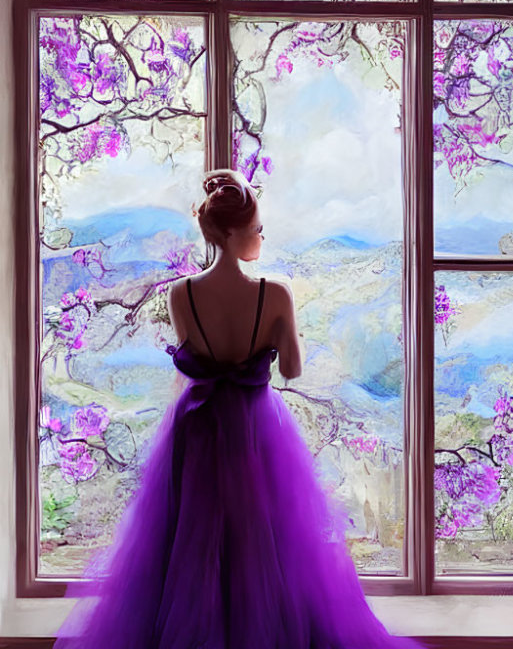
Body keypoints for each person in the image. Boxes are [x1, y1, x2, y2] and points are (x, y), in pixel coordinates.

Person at [54, 170, 422, 649]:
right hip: (255, 427)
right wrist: (285, 334)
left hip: (200, 427)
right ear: (231, 232)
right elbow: (291, 369)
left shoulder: (180, 293)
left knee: (191, 541)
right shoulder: (275, 293)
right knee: (264, 540)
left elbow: (192, 367)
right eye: (257, 228)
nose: (262, 236)